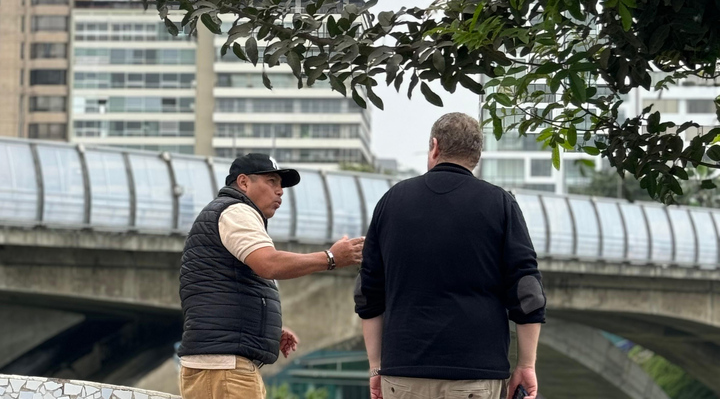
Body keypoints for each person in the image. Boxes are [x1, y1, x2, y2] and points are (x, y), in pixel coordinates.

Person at [355, 113, 546, 399]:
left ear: (434, 146)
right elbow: (527, 291)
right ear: (476, 156)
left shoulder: (392, 201)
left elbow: (368, 294)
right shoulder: (500, 204)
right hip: (476, 374)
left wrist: (376, 367)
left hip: (404, 372)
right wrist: (526, 364)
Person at [179, 153, 365, 399]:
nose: (280, 192)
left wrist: (266, 326)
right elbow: (268, 263)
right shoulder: (236, 211)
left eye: (281, 185)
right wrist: (330, 258)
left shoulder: (223, 214)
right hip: (226, 369)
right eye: (271, 181)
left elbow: (217, 290)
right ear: (244, 182)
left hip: (216, 364)